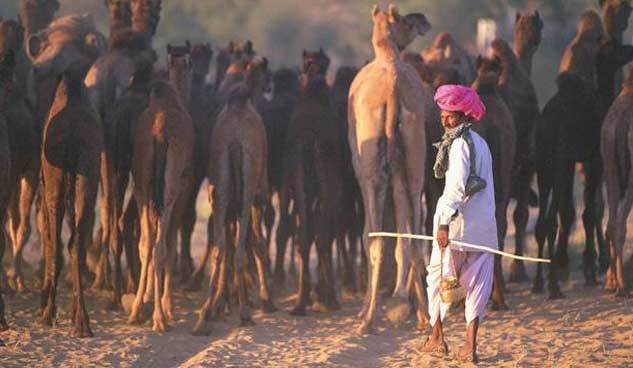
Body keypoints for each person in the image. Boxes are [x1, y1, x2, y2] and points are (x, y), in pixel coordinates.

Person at [421, 84, 497, 363]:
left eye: (450, 115)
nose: (444, 120)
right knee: (478, 286)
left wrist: (442, 223)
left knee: (439, 277)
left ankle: (437, 336)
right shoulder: (482, 144)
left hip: (455, 227)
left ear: (464, 115)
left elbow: (454, 188)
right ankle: (470, 346)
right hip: (484, 229)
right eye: (442, 114)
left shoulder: (459, 145)